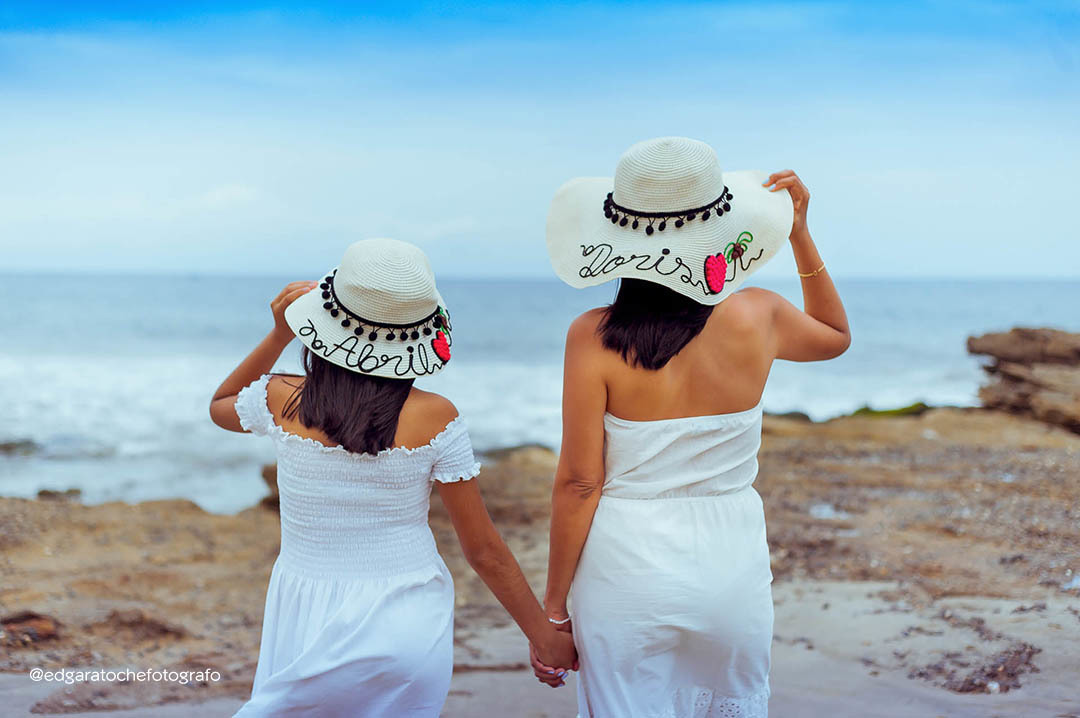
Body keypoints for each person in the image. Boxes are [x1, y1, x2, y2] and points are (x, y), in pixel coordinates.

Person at [535, 137, 850, 716]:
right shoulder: (760, 314)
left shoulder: (593, 335)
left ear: (619, 241)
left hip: (625, 563)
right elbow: (834, 335)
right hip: (730, 557)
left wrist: (553, 611)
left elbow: (581, 482)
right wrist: (799, 232)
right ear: (719, 227)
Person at [209, 238, 576, 716]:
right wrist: (543, 636)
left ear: (323, 322)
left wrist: (281, 333)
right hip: (409, 619)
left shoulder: (282, 398)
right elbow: (483, 549)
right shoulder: (436, 416)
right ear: (415, 333)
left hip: (307, 612)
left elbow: (221, 406)